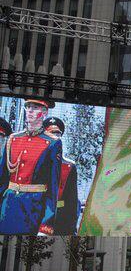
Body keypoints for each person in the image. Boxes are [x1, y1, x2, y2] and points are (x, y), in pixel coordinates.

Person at [0, 98, 62, 235]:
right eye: (28, 107)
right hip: (7, 207)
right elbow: (2, 180)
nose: (30, 111)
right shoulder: (13, 139)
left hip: (33, 210)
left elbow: (53, 187)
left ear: (44, 112)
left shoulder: (52, 143)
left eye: (35, 108)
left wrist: (46, 225)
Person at [42, 116, 79, 235]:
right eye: (51, 133)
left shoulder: (69, 166)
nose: (55, 137)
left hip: (60, 217)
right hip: (38, 214)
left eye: (58, 134)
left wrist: (71, 227)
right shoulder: (36, 163)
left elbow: (72, 200)